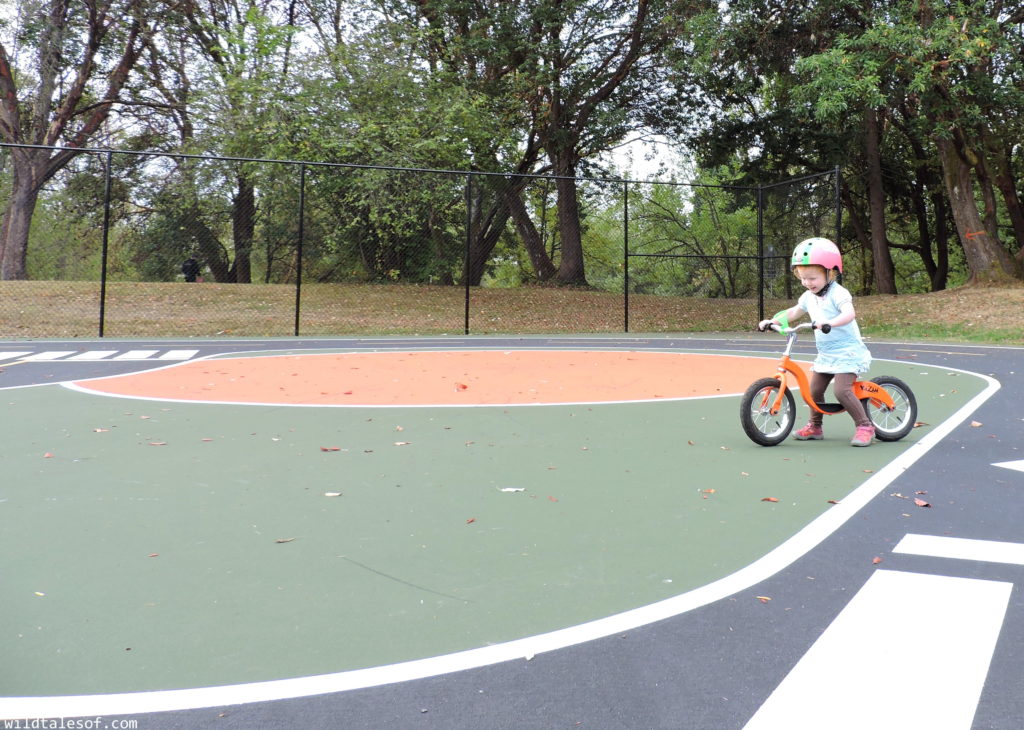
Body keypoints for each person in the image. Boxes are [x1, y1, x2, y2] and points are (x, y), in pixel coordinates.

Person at [758, 237, 875, 447]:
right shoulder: (808, 296)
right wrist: (774, 320)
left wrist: (829, 323)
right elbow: (794, 311)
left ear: (830, 273)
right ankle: (815, 426)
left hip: (848, 351)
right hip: (827, 353)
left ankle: (865, 426)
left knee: (841, 391)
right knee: (814, 391)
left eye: (812, 278)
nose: (807, 283)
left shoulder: (838, 293)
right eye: (803, 278)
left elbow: (849, 314)